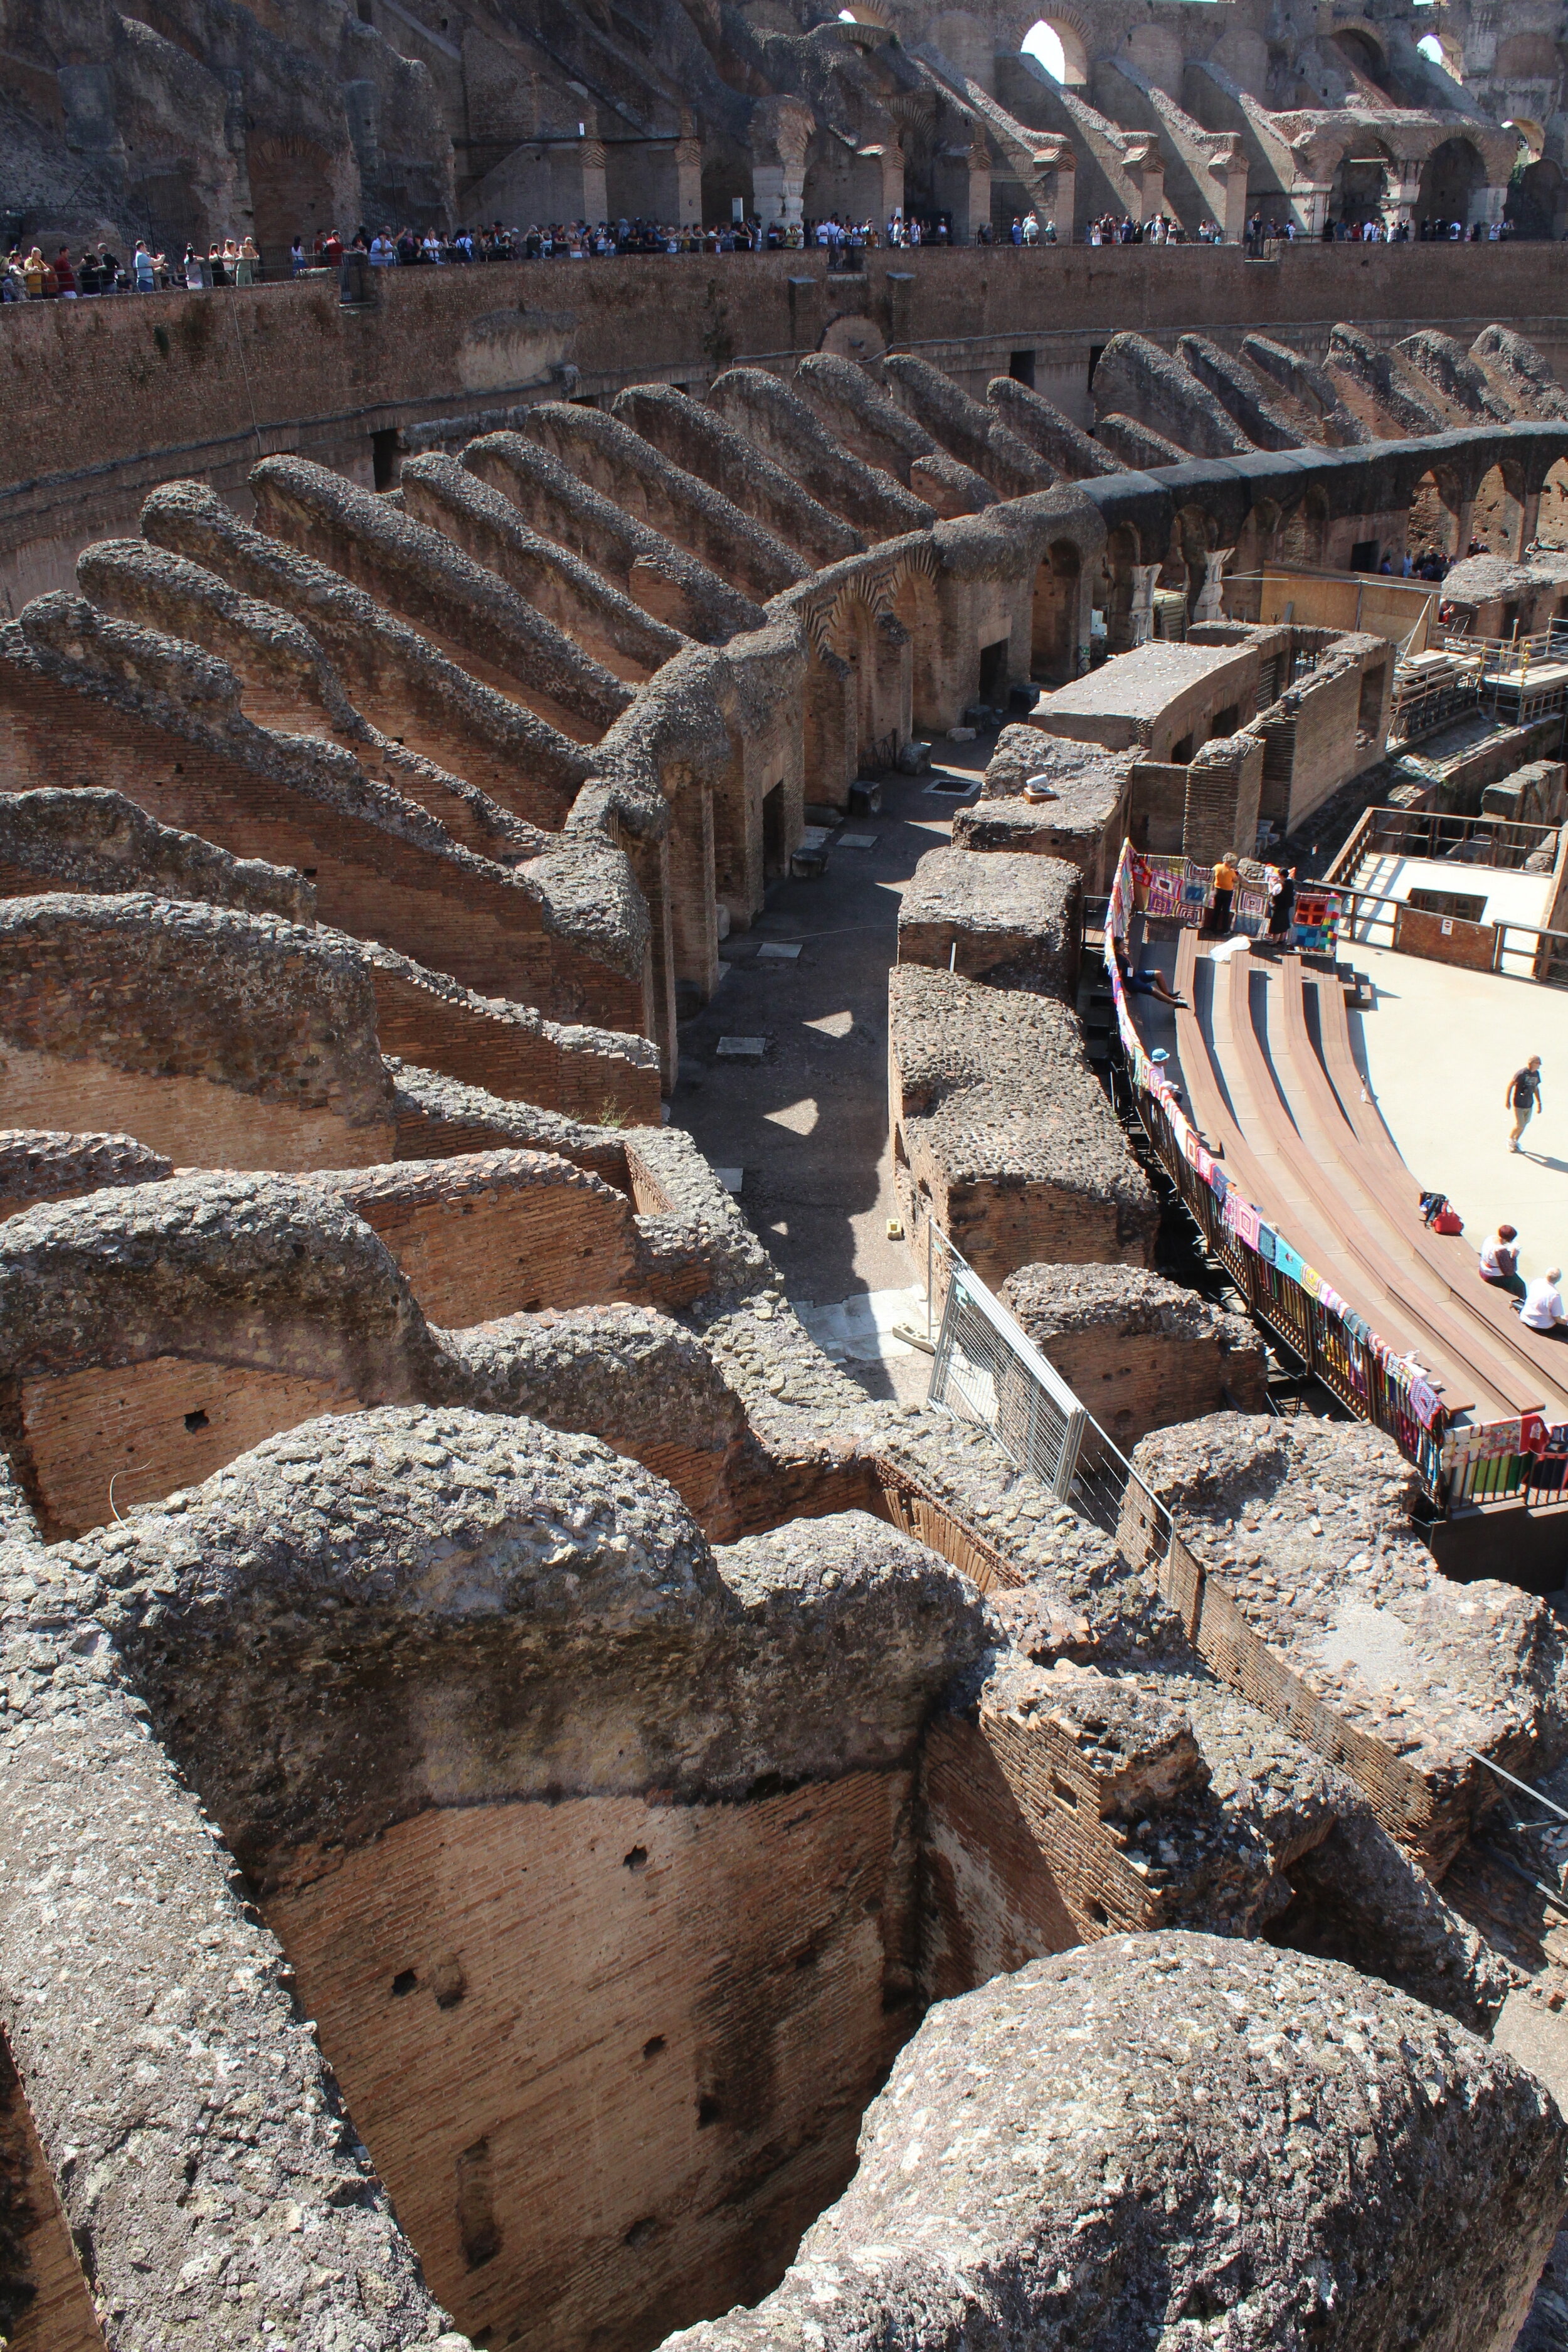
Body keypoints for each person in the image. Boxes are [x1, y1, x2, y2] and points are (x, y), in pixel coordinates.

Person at [1115, 946, 1185, 1008]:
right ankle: (1175, 1003)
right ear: (1117, 947)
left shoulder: (1123, 953)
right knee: (1153, 990)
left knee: (1158, 974)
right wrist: (1125, 990)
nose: (1123, 944)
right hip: (1132, 983)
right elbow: (1120, 975)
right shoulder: (1119, 959)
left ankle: (1168, 996)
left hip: (1136, 975)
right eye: (1121, 944)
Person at [1518, 1266, 1568, 1335]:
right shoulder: (1555, 1295)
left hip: (1525, 1318)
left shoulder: (1536, 1282)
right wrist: (1565, 1321)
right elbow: (1557, 1319)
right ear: (1558, 1279)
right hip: (1540, 1326)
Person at [1508, 1055, 1543, 1152]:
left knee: (1525, 1123)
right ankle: (1510, 1139)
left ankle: (1516, 1142)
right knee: (1520, 1125)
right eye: (1538, 1063)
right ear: (1532, 1063)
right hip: (1519, 1103)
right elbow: (1510, 1086)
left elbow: (1535, 1088)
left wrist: (1539, 1103)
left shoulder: (1536, 1074)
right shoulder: (1521, 1074)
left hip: (1529, 1104)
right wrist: (1508, 1101)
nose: (1540, 1065)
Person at [1480, 1224, 1524, 1296]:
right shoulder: (1501, 1250)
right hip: (1492, 1277)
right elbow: (1510, 1272)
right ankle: (1522, 1301)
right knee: (1520, 1285)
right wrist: (1514, 1256)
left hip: (1483, 1269)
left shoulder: (1490, 1238)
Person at [1209, 849, 1239, 937]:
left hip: (1218, 890)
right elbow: (1236, 880)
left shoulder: (1217, 866)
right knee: (1226, 911)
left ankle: (1213, 927)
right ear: (1232, 862)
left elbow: (1212, 872)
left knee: (1217, 909)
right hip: (1228, 892)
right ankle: (1225, 929)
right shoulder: (1231, 872)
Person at [1267, 862, 1296, 943]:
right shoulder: (1290, 883)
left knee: (1276, 923)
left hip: (1279, 906)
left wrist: (1270, 885)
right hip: (1287, 905)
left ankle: (1274, 941)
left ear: (1282, 876)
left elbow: (1273, 893)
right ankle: (1282, 939)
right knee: (1284, 921)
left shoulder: (1280, 885)